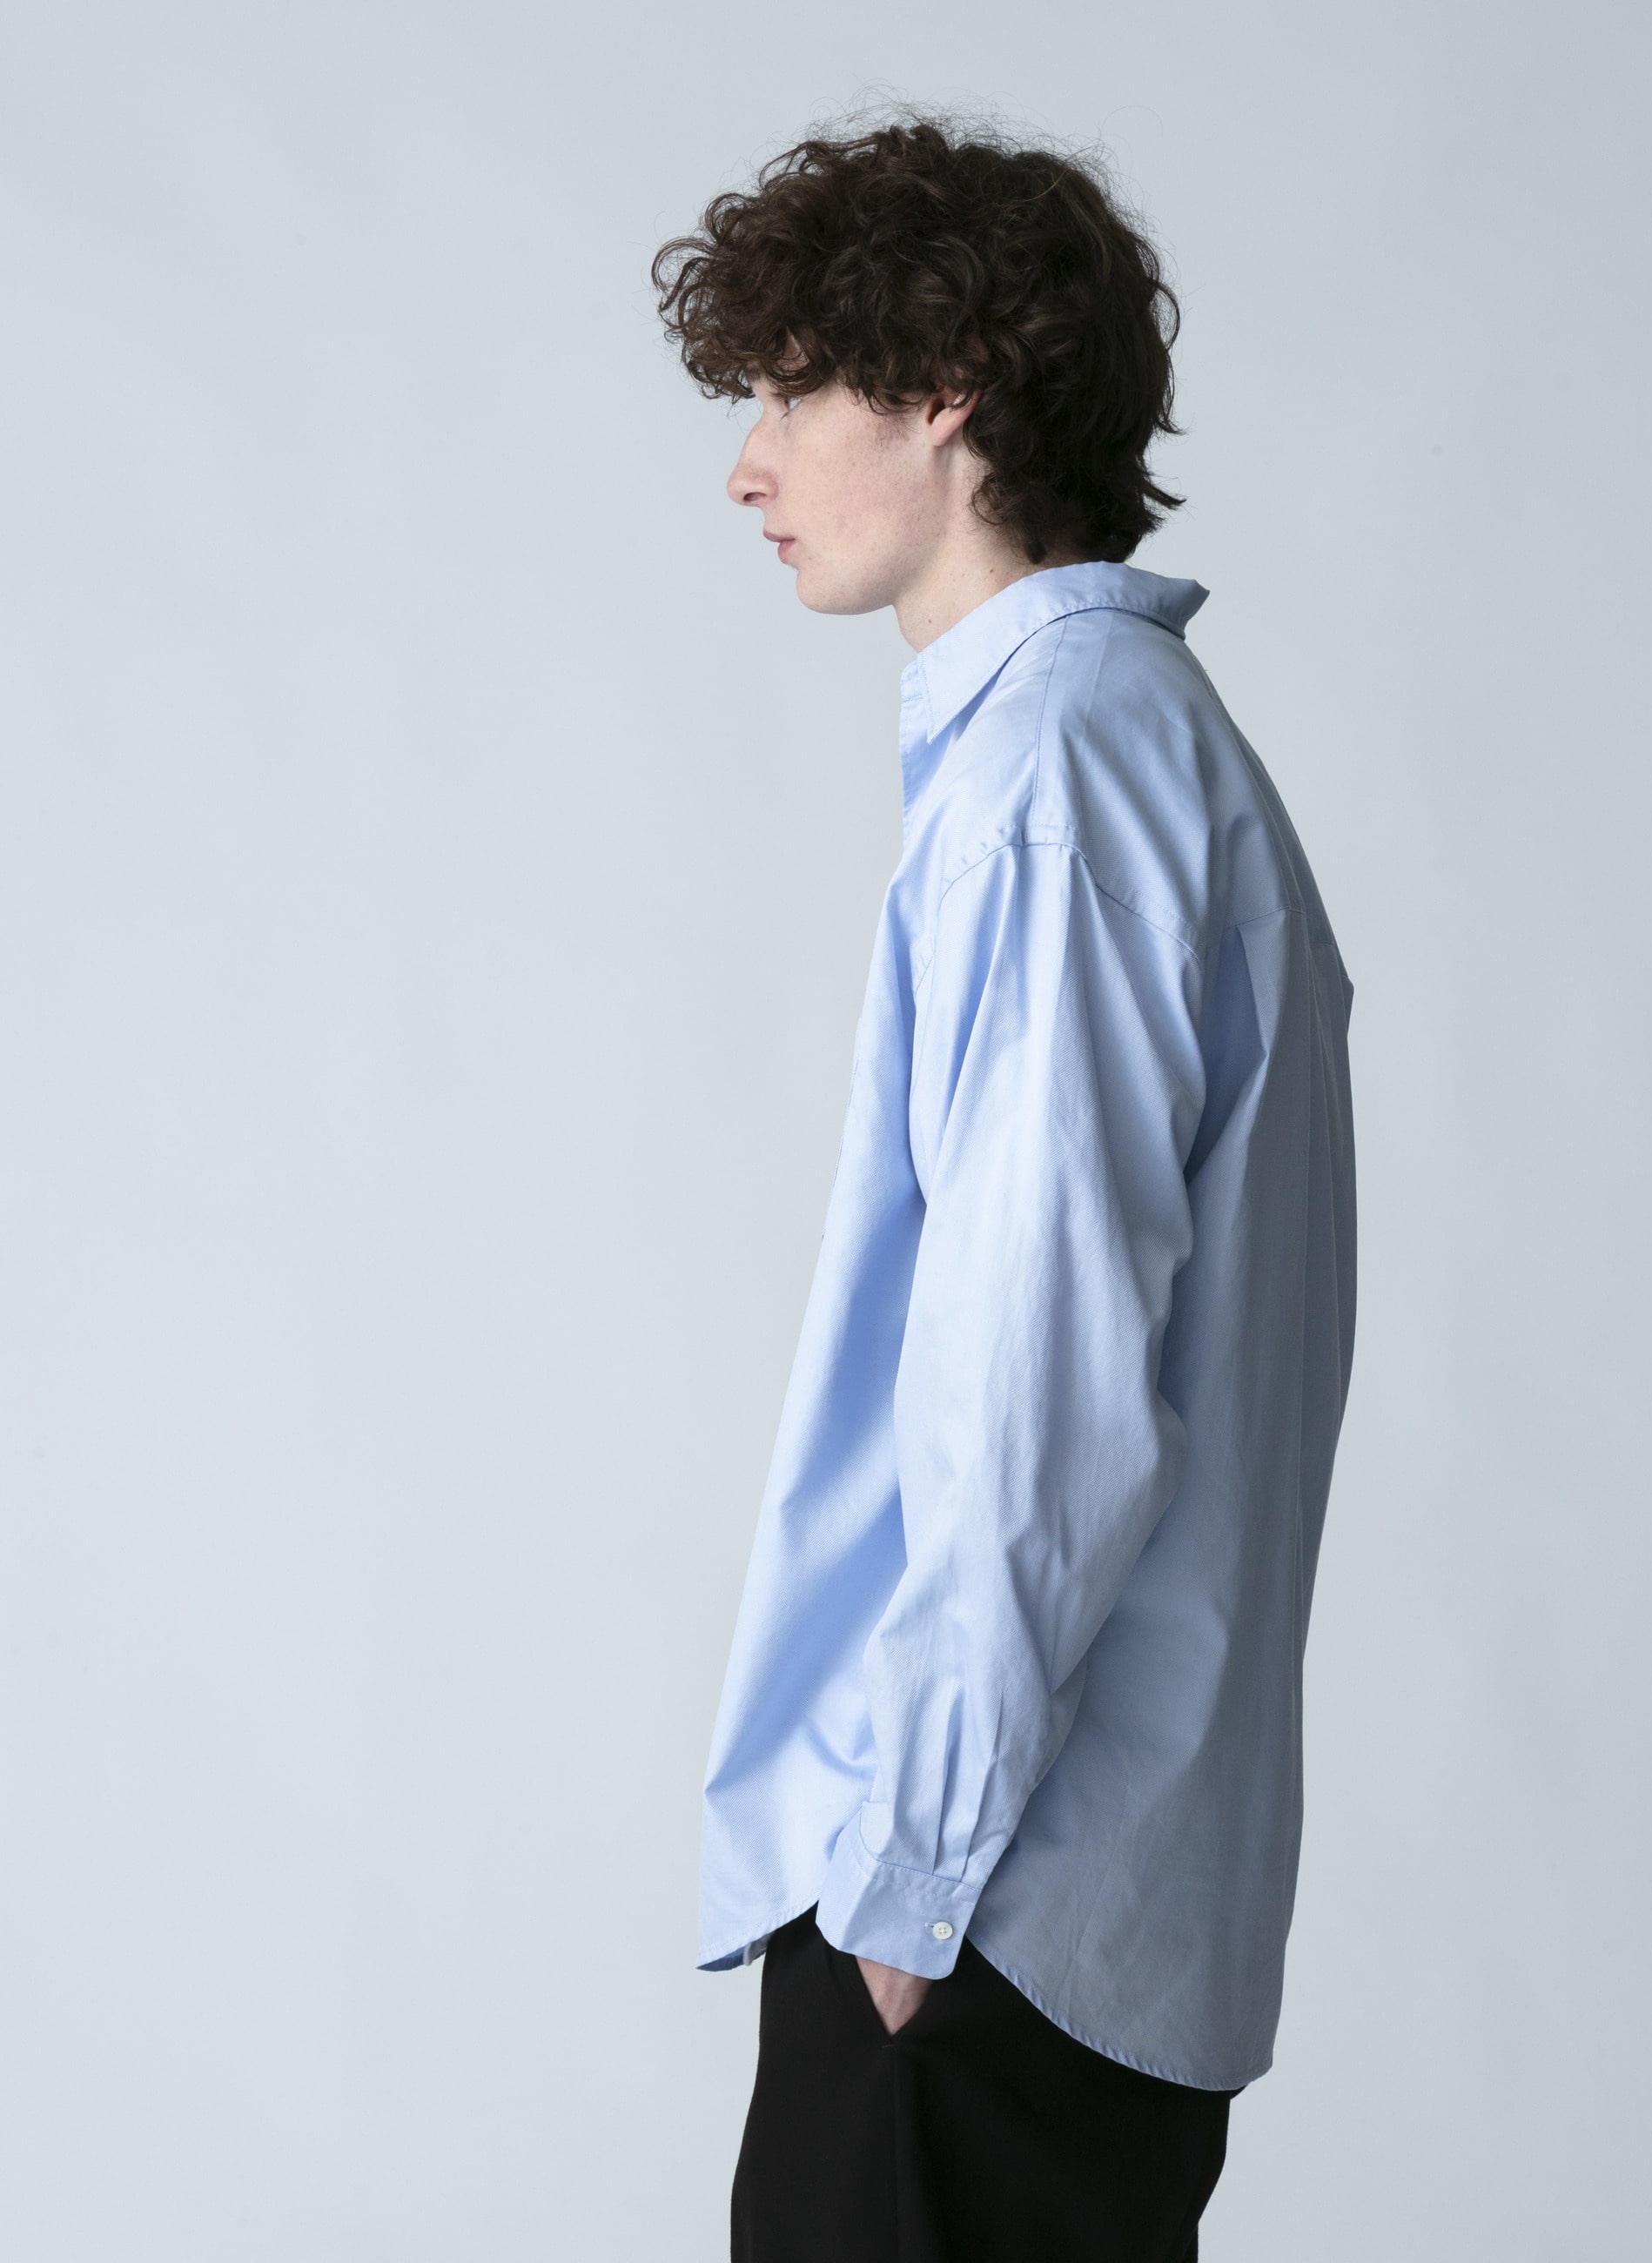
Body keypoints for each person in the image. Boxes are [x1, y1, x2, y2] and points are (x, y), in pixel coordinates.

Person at [653, 116, 1357, 2263]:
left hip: (981, 1929)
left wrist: (910, 1879)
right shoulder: (1127, 749)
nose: (750, 464)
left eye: (791, 390)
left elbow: (1042, 1367)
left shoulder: (1059, 772)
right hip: (1064, 1919)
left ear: (948, 387)